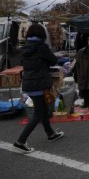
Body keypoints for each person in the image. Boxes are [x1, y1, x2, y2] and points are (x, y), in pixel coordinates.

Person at [13, 23, 64, 154]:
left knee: (43, 109)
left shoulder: (25, 48)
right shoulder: (42, 47)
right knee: (39, 112)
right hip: (40, 83)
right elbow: (53, 61)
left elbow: (24, 63)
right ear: (42, 34)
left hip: (29, 83)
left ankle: (51, 133)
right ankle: (20, 141)